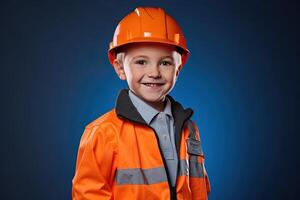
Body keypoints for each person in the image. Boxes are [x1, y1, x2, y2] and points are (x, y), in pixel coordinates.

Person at [72, 7, 210, 200]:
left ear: (178, 69)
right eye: (141, 62)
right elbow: (89, 195)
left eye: (165, 63)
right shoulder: (102, 133)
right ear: (120, 68)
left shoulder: (190, 129)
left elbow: (198, 190)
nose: (154, 72)